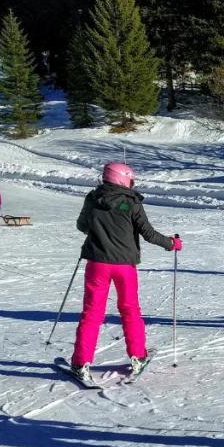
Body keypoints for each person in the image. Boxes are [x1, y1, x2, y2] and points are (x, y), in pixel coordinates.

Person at [69, 162, 180, 385]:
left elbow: (82, 226)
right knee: (130, 310)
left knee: (92, 312)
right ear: (122, 179)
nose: (133, 183)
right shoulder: (131, 203)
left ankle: (81, 362)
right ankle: (138, 355)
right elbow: (148, 233)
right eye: (131, 179)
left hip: (97, 264)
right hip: (124, 266)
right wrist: (171, 243)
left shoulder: (93, 198)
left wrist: (100, 228)